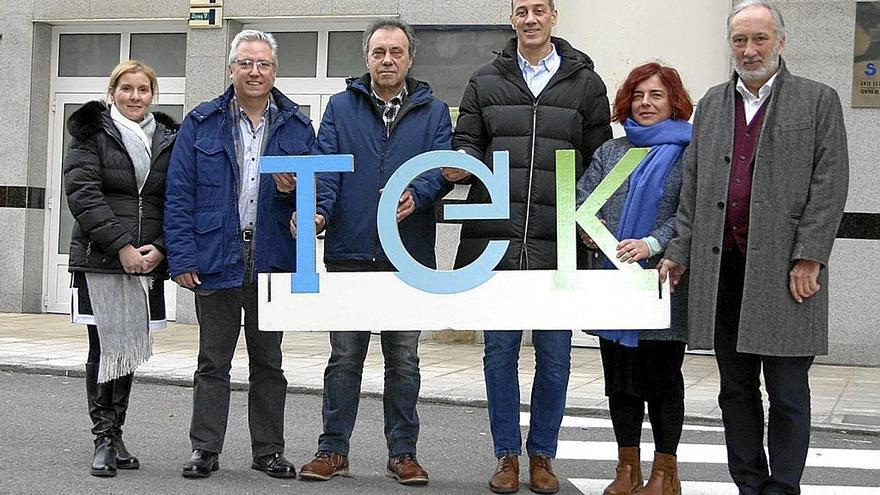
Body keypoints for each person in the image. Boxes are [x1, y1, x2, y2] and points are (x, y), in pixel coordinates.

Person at [658, 2, 849, 494]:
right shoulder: (714, 104)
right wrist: (679, 249)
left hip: (787, 272)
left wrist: (810, 255)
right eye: (740, 40)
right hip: (723, 270)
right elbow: (695, 186)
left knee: (787, 391)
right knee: (735, 390)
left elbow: (829, 185)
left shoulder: (817, 100)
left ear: (780, 43)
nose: (749, 49)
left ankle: (782, 486)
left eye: (760, 39)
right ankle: (748, 483)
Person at [443, 1, 612, 493]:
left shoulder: (586, 82)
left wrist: (591, 217)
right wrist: (461, 161)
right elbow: (468, 138)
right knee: (498, 352)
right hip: (495, 238)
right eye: (522, 10)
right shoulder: (485, 80)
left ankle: (543, 455)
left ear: (554, 17)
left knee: (555, 355)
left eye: (540, 9)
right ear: (512, 18)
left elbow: (599, 156)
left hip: (556, 239)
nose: (531, 18)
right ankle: (506, 456)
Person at [297, 19, 452, 486]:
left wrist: (419, 193)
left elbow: (443, 166)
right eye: (380, 52)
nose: (388, 60)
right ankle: (333, 450)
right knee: (344, 358)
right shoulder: (340, 108)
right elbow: (326, 168)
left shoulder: (435, 110)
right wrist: (318, 214)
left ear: (410, 58)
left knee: (404, 360)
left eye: (397, 52)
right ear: (367, 57)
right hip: (349, 251)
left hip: (409, 255)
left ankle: (403, 453)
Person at [164, 29, 315, 480]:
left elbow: (315, 193)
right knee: (213, 362)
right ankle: (204, 449)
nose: (255, 71)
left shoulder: (297, 125)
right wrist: (183, 257)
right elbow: (179, 194)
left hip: (272, 260)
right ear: (231, 69)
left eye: (263, 64)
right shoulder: (201, 122)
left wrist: (295, 194)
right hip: (215, 257)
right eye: (246, 63)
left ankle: (268, 451)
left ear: (275, 71)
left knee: (269, 363)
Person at [577, 62, 693, 495]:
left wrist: (652, 243)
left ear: (674, 101)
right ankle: (627, 468)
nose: (646, 104)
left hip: (665, 282)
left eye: (656, 95)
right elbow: (585, 198)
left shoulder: (690, 151)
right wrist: (586, 229)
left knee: (663, 382)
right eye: (639, 95)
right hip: (614, 284)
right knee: (620, 382)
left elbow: (692, 212)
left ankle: (666, 473)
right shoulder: (612, 151)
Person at [64, 60, 177, 477]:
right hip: (102, 259)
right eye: (126, 89)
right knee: (105, 348)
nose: (135, 96)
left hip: (148, 261)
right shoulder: (91, 133)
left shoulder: (168, 137)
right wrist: (123, 247)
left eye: (143, 90)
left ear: (153, 95)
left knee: (127, 350)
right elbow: (82, 193)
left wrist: (161, 248)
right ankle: (103, 438)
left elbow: (176, 199)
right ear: (112, 92)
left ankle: (117, 433)